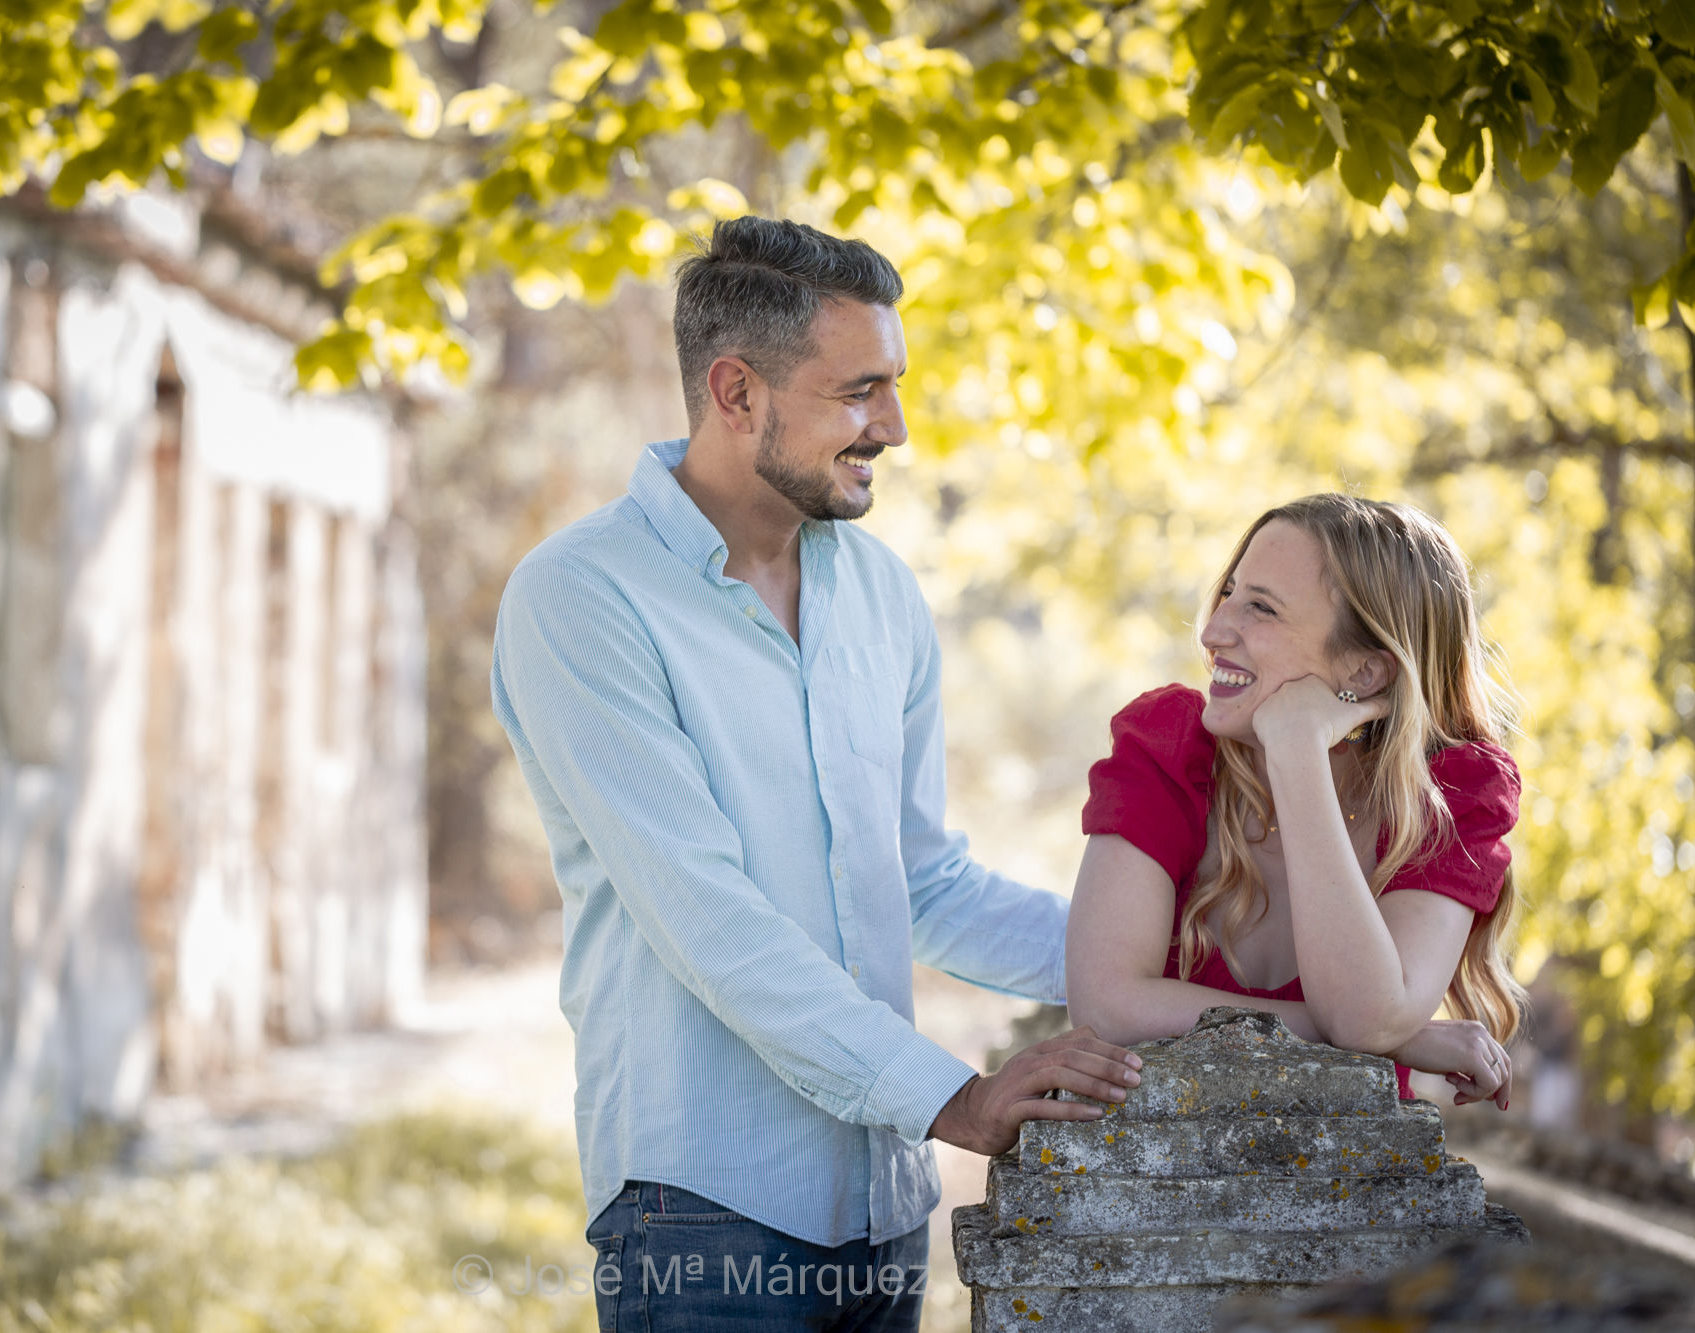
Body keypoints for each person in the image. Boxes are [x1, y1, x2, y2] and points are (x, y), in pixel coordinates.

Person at [490, 216, 1142, 1332]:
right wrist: (954, 1096)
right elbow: (712, 923)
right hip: (701, 1215)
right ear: (735, 392)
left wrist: (1189, 959)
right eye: (858, 391)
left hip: (883, 1208)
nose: (890, 426)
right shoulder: (581, 599)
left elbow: (926, 884)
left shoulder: (880, 593)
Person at [1066, 494, 1525, 1108]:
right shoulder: (1169, 747)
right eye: (1230, 591)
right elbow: (1106, 1005)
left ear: (1366, 673)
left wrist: (1297, 752)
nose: (1213, 630)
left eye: (1261, 608)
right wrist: (1398, 1038)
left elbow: (1364, 1016)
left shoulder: (1455, 797)